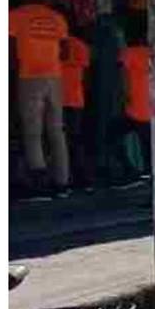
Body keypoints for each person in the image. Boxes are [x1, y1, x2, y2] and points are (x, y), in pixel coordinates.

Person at [9, 0, 71, 197]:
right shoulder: (57, 18)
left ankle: (39, 182)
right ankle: (62, 182)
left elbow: (10, 50)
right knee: (56, 130)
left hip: (29, 76)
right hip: (54, 77)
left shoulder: (15, 16)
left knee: (33, 131)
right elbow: (65, 53)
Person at [59, 31, 93, 191]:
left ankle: (65, 176)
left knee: (59, 140)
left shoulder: (55, 44)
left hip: (57, 97)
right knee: (75, 139)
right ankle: (82, 177)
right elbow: (86, 76)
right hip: (76, 98)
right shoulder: (82, 46)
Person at [120, 25, 152, 181]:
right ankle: (148, 172)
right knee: (148, 144)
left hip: (134, 106)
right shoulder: (154, 54)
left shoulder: (129, 53)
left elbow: (124, 76)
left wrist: (124, 95)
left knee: (110, 137)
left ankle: (130, 169)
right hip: (149, 106)